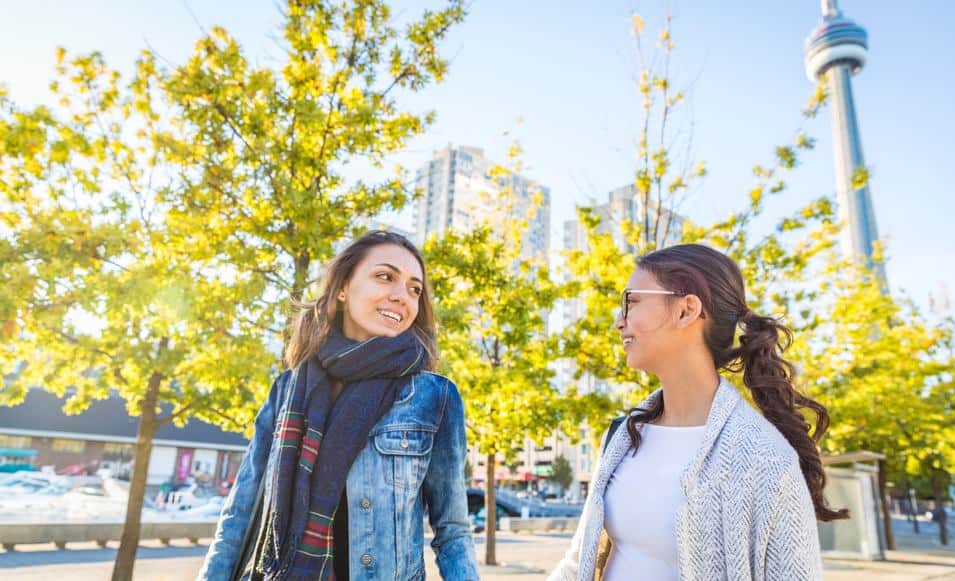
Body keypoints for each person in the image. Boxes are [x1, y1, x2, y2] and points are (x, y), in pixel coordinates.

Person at [549, 244, 847, 581]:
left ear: (686, 310)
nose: (619, 322)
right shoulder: (621, 436)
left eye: (631, 302)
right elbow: (578, 564)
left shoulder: (767, 461)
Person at [199, 231, 478, 580]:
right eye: (385, 276)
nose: (401, 296)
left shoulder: (433, 398)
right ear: (343, 287)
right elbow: (239, 512)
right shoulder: (288, 389)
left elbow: (452, 531)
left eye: (414, 289)